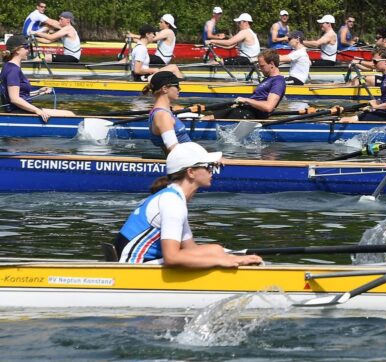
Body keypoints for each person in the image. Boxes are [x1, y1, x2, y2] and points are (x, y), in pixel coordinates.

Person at [114, 142, 263, 268]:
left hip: (144, 262)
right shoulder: (172, 203)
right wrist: (221, 261)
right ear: (191, 172)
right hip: (134, 267)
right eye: (208, 166)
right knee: (216, 255)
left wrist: (231, 256)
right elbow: (172, 257)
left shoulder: (174, 197)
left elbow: (190, 249)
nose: (212, 171)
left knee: (216, 249)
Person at [0, 34, 73, 121]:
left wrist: (38, 92)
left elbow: (19, 95)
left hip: (20, 110)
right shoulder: (13, 70)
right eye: (26, 47)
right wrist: (38, 111)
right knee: (70, 114)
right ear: (17, 50)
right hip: (19, 112)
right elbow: (14, 99)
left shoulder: (8, 66)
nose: (28, 50)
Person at [340, 47, 386, 122]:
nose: (373, 64)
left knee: (345, 120)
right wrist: (378, 102)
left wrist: (377, 106)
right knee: (350, 117)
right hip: (383, 113)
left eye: (375, 61)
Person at [215, 49, 286, 119]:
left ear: (272, 64)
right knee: (213, 112)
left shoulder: (278, 81)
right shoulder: (267, 79)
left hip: (252, 114)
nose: (260, 69)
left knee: (211, 117)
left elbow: (268, 107)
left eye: (262, 66)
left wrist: (246, 100)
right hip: (247, 111)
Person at [143, 71, 192, 154]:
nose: (179, 89)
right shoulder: (162, 115)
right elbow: (173, 149)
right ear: (165, 89)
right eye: (177, 86)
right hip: (187, 159)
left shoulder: (164, 112)